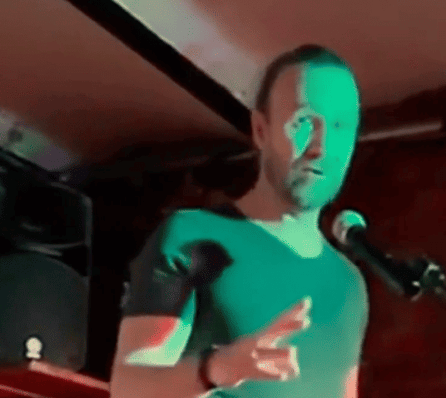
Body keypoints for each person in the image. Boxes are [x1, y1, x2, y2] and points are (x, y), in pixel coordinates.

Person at [109, 44, 368, 398]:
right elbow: (128, 389)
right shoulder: (190, 236)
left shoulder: (350, 285)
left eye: (340, 126)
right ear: (261, 130)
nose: (321, 146)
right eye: (304, 121)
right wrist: (214, 370)